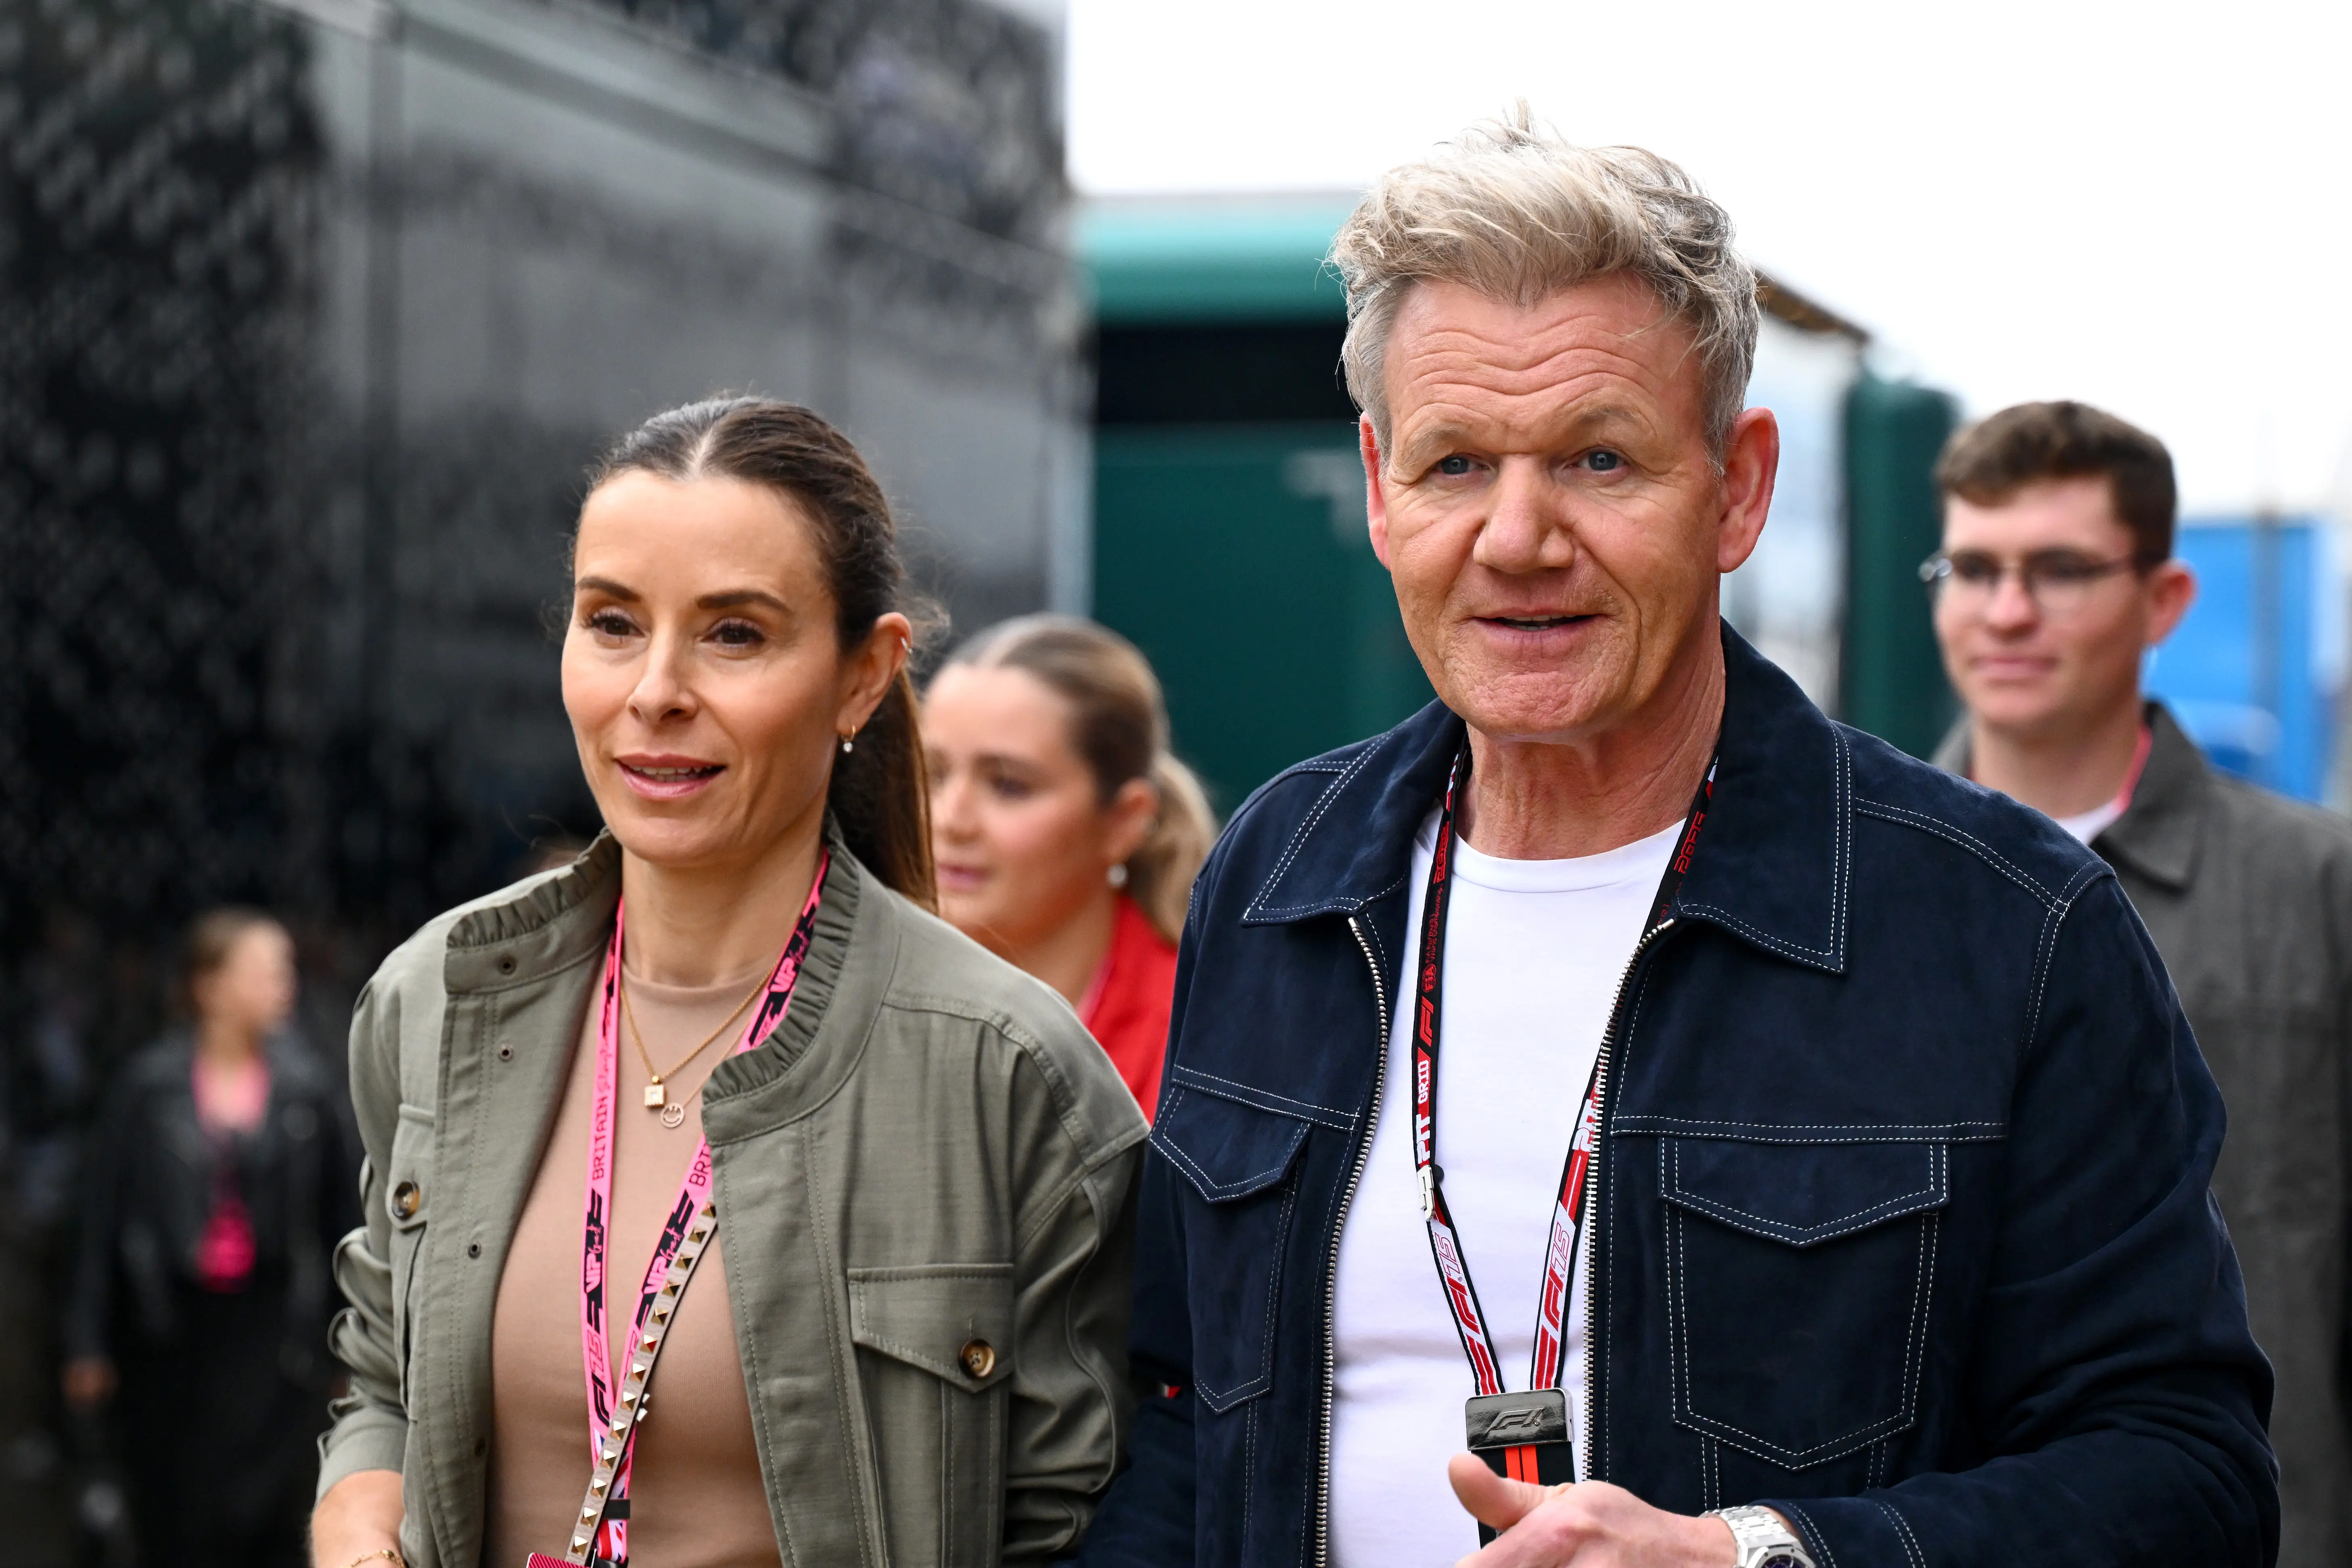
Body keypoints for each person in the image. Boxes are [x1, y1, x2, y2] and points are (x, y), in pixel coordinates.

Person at [1075, 114, 2273, 1568]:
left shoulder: (2004, 928)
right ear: (1379, 488)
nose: (1515, 537)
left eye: (1594, 458)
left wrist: (1756, 1555)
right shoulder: (1278, 875)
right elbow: (1180, 1419)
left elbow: (2182, 1478)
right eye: (1455, 464)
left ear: (1737, 486)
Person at [309, 397, 1147, 1568]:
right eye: (611, 622)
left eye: (734, 634)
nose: (655, 689)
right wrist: (356, 1521)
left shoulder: (1010, 1074)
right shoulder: (439, 999)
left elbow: (1080, 1523)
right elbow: (385, 1376)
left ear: (864, 676)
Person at [1928, 399, 2352, 1565]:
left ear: (2162, 599)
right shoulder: (1840, 881)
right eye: (1972, 566)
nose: (2005, 610)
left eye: (2058, 569)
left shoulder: (2319, 889)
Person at [64, 907, 360, 1568]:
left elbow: (344, 1222)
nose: (282, 985)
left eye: (284, 971)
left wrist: (353, 1339)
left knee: (270, 1512)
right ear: (210, 984)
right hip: (170, 1327)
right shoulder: (149, 1085)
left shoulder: (306, 1088)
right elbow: (103, 1216)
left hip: (274, 1330)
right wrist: (86, 1337)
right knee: (174, 1507)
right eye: (263, 970)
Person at [923, 615, 1215, 1119]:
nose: (951, 819)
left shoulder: (1205, 1039)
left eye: (1009, 785)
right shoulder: (841, 994)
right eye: (933, 774)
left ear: (1125, 821)